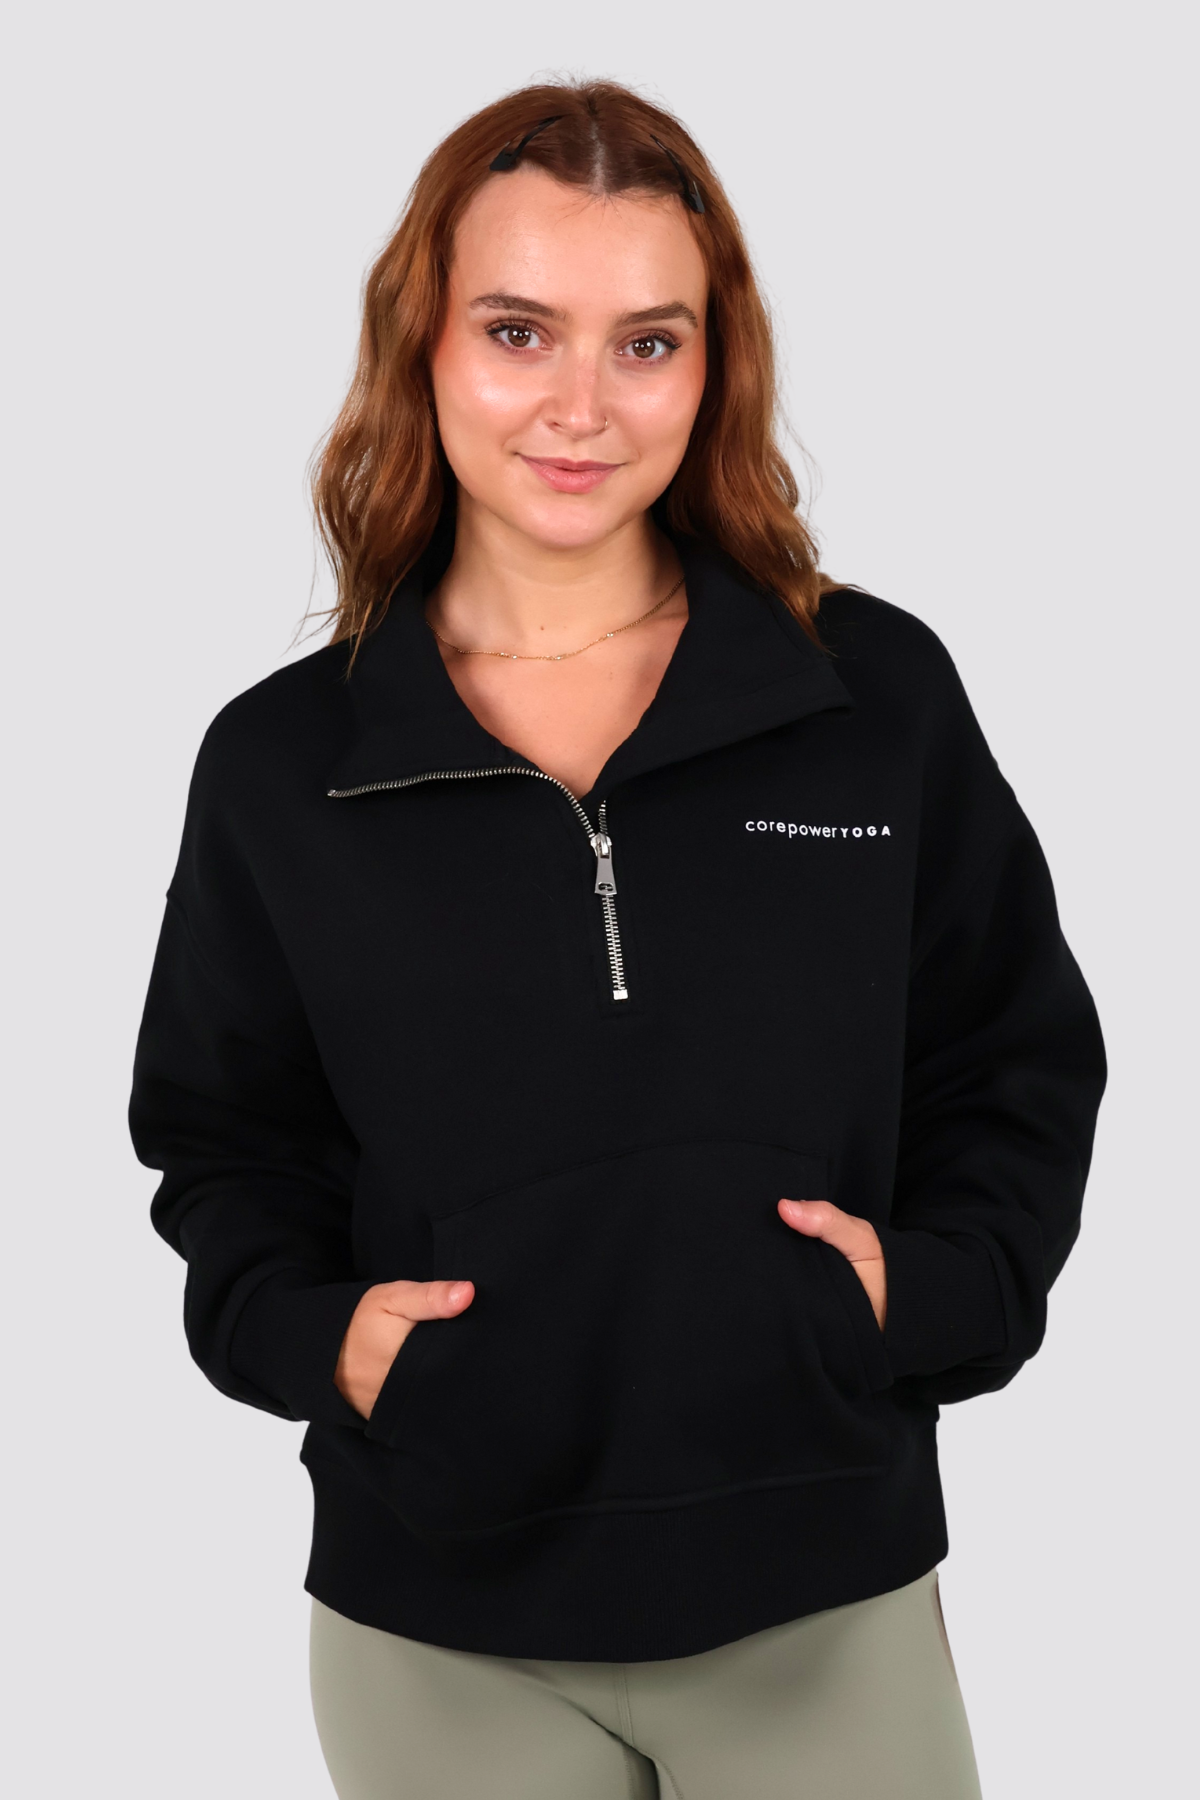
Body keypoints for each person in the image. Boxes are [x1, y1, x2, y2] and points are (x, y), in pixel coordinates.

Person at [129, 79, 1106, 1800]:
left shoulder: (870, 699)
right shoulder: (285, 764)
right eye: (519, 331)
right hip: (438, 1627)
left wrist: (924, 1297)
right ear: (423, 344)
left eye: (647, 343)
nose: (581, 406)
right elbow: (225, 1141)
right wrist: (323, 1340)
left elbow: (1010, 1056)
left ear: (714, 368)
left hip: (824, 1595)